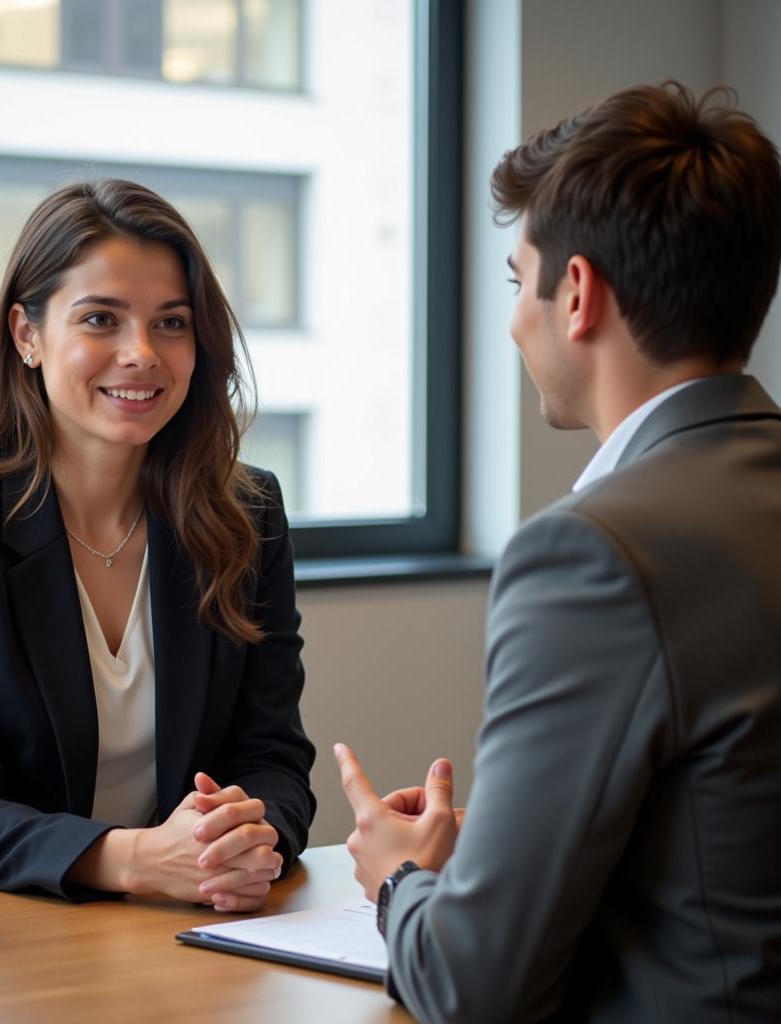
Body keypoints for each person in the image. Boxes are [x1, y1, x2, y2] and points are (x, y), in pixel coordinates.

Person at [335, 81, 781, 1021]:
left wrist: (396, 882)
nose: (512, 318)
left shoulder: (593, 553)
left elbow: (476, 986)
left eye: (515, 279)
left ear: (575, 293)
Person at [0, 178, 315, 910]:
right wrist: (134, 858)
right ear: (27, 335)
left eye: (171, 324)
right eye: (102, 319)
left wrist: (242, 838)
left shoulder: (246, 512)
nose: (141, 353)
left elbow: (274, 758)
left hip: (181, 927)